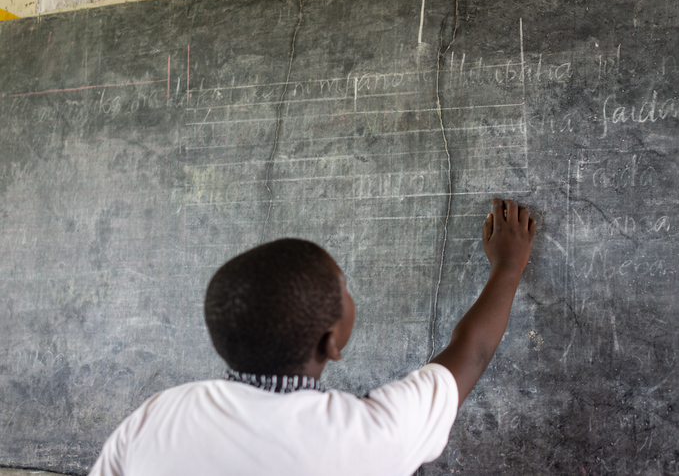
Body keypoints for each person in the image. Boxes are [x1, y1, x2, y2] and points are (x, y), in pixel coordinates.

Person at [89, 198, 536, 476]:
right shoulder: (368, 435)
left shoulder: (157, 415)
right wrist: (508, 266)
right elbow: (470, 353)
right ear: (332, 343)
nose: (348, 291)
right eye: (344, 288)